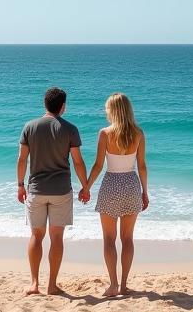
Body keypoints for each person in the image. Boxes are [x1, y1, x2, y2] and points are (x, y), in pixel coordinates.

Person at [17, 86, 90, 296]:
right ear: (63, 107)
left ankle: (34, 284)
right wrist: (85, 186)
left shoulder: (29, 126)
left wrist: (20, 185)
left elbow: (22, 159)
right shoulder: (70, 129)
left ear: (45, 104)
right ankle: (52, 285)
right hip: (60, 191)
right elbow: (77, 162)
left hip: (36, 190)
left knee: (35, 236)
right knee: (56, 238)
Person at [81, 92, 149, 297]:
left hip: (111, 185)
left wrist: (87, 187)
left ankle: (113, 285)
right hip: (131, 184)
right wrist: (145, 192)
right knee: (127, 238)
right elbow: (142, 166)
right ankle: (124, 285)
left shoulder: (105, 133)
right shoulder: (138, 133)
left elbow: (98, 165)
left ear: (111, 111)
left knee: (109, 239)